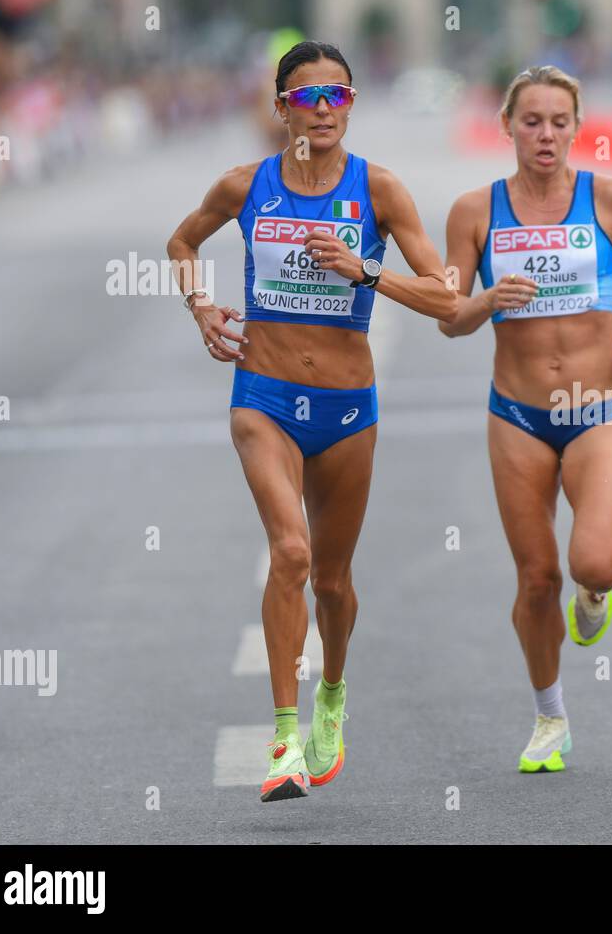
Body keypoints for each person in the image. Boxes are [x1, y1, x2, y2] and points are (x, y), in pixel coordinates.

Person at [166, 41, 456, 801]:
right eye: (308, 97)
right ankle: (285, 739)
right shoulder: (244, 185)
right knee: (288, 553)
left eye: (338, 95)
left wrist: (364, 270)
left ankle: (333, 690)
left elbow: (448, 296)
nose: (324, 110)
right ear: (281, 108)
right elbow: (182, 242)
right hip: (261, 395)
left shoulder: (380, 192)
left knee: (331, 580)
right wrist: (201, 306)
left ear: (352, 106)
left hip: (347, 407)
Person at [440, 65, 612, 773]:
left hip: (593, 407)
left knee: (592, 562)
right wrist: (487, 300)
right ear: (507, 125)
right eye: (531, 121)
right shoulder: (475, 211)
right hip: (515, 413)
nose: (545, 134)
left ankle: (596, 592)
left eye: (559, 121)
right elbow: (450, 315)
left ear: (578, 127)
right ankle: (549, 717)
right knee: (537, 579)